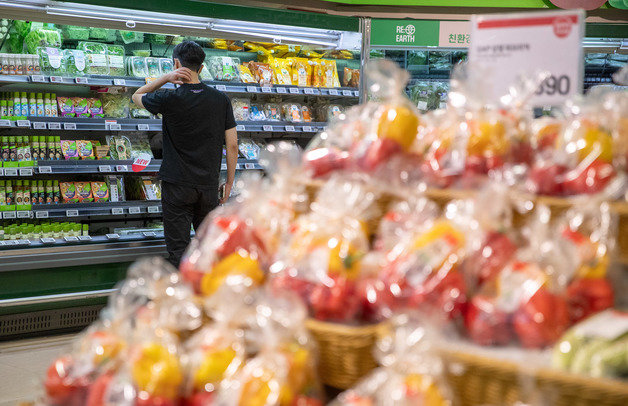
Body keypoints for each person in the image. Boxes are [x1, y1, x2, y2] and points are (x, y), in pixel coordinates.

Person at [132, 41, 238, 267]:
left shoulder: (169, 99)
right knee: (208, 248)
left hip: (177, 184)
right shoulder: (221, 100)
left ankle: (183, 296)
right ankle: (206, 295)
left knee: (179, 249)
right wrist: (229, 183)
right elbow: (232, 146)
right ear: (201, 68)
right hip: (209, 186)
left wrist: (165, 78)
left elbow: (136, 95)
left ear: (177, 64)